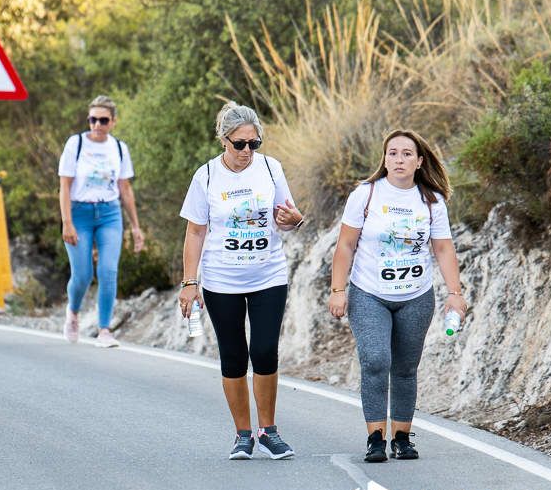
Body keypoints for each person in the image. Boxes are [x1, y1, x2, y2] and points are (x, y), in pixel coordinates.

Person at [328, 129, 467, 462]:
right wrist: (337, 289)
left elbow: (443, 248)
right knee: (376, 360)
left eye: (407, 154)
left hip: (416, 296)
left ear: (419, 162)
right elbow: (345, 245)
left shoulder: (431, 200)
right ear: (384, 159)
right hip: (369, 294)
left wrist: (455, 293)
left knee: (405, 368)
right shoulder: (366, 195)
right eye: (392, 153)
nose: (399, 159)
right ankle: (375, 438)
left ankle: (402, 438)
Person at [179, 101, 305, 460]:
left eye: (253, 144)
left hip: (268, 274)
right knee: (233, 356)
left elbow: (288, 216)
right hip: (222, 280)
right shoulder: (205, 176)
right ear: (223, 141)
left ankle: (269, 430)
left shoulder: (270, 168)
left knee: (264, 350)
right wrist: (190, 281)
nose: (247, 152)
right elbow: (195, 232)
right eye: (239, 144)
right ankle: (243, 434)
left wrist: (294, 219)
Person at [58, 95, 144, 348]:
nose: (97, 125)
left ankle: (104, 330)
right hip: (79, 213)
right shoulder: (75, 145)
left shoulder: (119, 148)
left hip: (109, 213)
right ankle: (72, 313)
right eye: (92, 119)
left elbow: (126, 189)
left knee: (108, 271)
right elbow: (64, 186)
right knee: (82, 274)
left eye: (103, 120)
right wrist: (67, 222)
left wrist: (136, 227)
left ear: (113, 122)